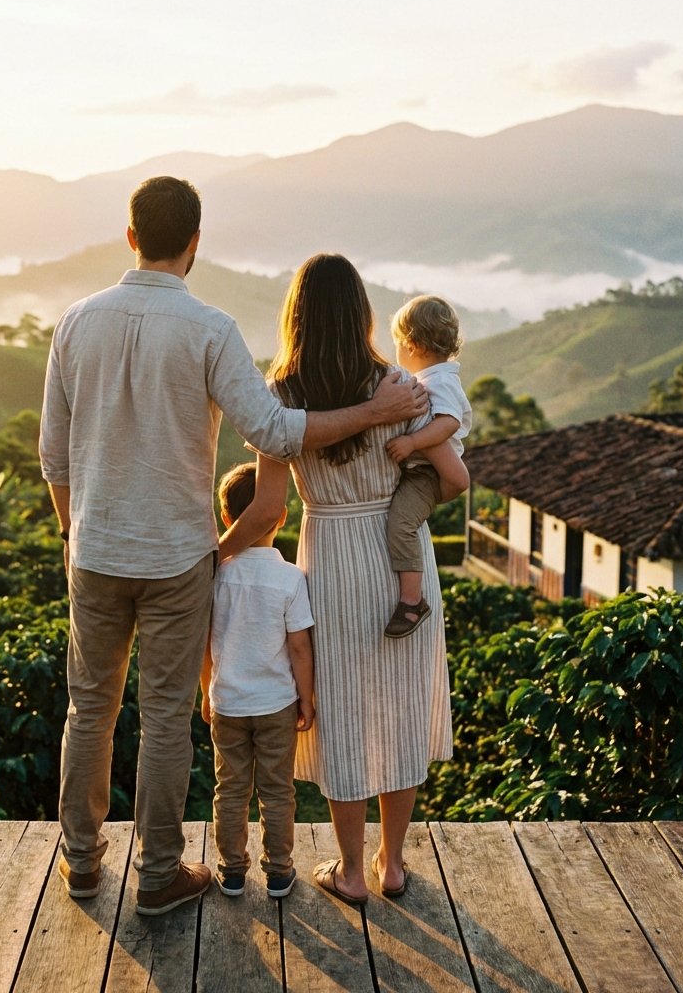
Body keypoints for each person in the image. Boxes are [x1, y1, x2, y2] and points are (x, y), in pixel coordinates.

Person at [39, 179, 428, 916]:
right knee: (161, 716)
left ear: (129, 237)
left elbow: (54, 460)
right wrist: (377, 411)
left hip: (94, 551)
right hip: (179, 556)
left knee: (88, 709)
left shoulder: (74, 323)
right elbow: (277, 433)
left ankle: (83, 864)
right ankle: (157, 873)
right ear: (194, 242)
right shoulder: (209, 328)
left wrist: (73, 532)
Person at [219, 252, 465, 907]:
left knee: (347, 714)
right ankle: (392, 865)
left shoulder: (281, 399)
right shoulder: (401, 387)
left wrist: (215, 554)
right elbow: (450, 476)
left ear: (295, 316)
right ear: (361, 313)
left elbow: (269, 512)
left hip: (328, 558)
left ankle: (350, 870)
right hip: (400, 552)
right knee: (402, 706)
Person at [201, 462, 315, 900]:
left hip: (228, 702)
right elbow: (301, 649)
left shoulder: (215, 577)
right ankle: (280, 872)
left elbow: (205, 645)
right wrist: (306, 700)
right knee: (276, 791)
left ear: (226, 519)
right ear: (281, 516)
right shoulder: (289, 578)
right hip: (276, 704)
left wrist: (206, 692)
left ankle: (231, 872)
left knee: (229, 789)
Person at [383, 295, 472, 638]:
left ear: (412, 344)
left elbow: (447, 423)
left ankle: (411, 600)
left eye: (397, 345)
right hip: (423, 470)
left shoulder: (439, 382)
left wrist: (412, 443)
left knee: (401, 524)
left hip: (428, 473)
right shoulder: (433, 377)